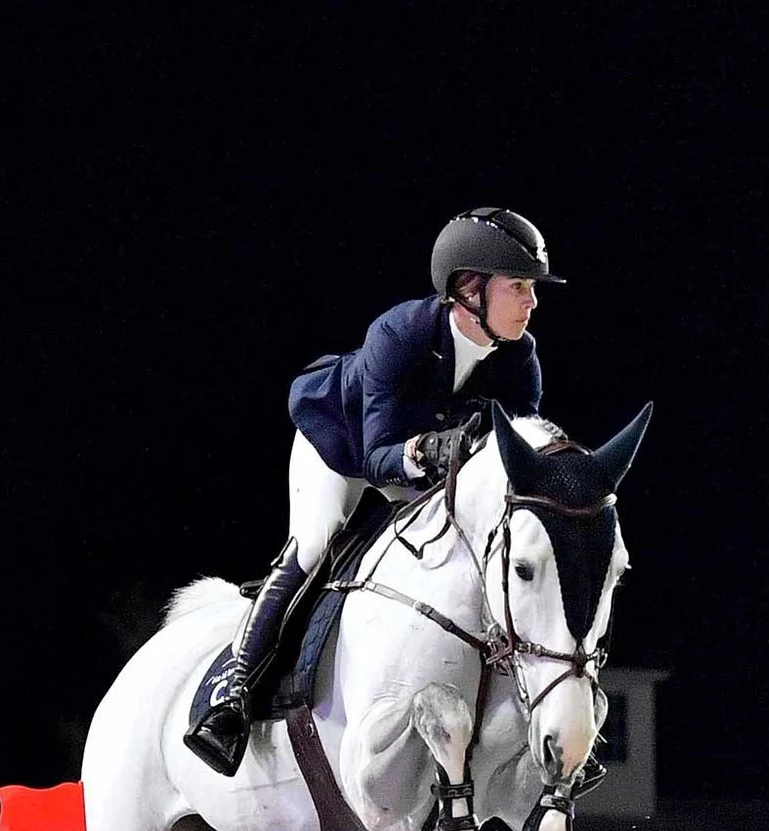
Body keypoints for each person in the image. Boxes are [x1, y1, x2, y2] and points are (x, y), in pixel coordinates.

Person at [185, 208, 561, 774]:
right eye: (519, 287)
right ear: (469, 289)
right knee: (316, 545)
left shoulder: (520, 360)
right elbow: (376, 456)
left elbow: (513, 461)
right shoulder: (400, 333)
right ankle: (232, 695)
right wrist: (429, 451)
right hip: (341, 443)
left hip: (426, 470)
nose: (532, 303)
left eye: (531, 289)